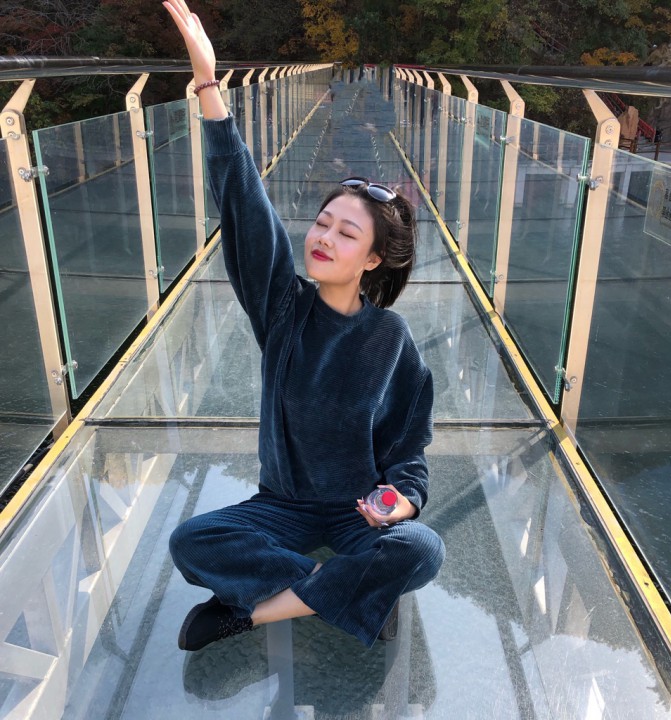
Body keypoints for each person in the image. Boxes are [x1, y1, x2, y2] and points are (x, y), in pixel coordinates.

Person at [163, 0, 445, 652]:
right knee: (192, 541)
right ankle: (352, 596)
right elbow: (244, 205)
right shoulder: (283, 307)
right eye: (322, 223)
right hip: (281, 506)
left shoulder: (391, 340)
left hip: (356, 514)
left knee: (422, 548)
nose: (323, 238)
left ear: (372, 260)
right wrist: (208, 86)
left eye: (346, 233)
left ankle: (253, 614)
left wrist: (399, 502)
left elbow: (408, 456)